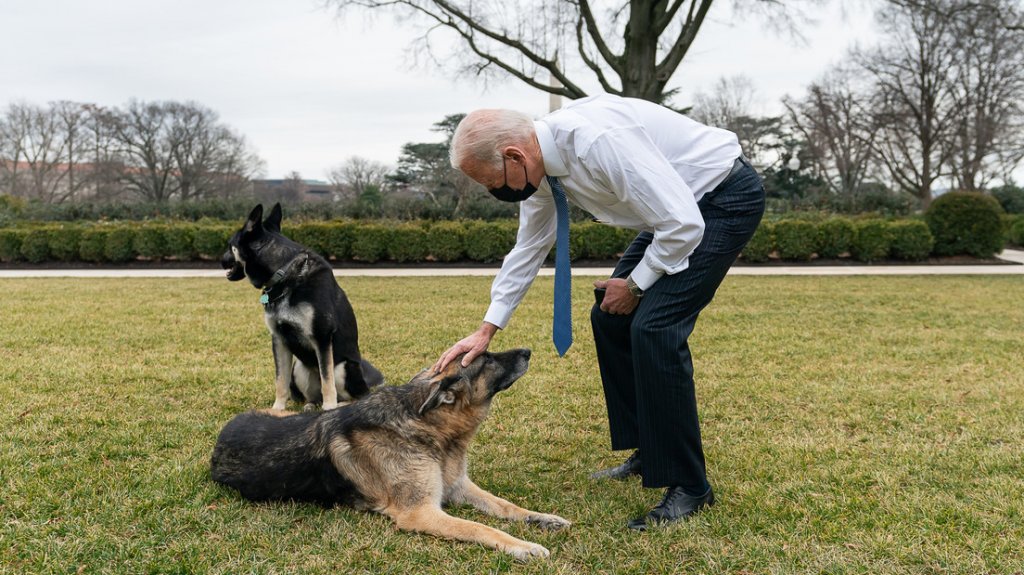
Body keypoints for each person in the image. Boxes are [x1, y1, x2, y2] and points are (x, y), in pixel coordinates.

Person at [433, 93, 765, 530]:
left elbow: (684, 224)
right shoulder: (539, 170)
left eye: (491, 182)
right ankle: (651, 450)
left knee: (655, 328)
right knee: (611, 318)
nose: (494, 192)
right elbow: (529, 247)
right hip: (674, 212)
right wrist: (486, 330)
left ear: (514, 156)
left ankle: (690, 485)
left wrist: (636, 284)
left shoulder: (597, 142)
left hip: (720, 201)